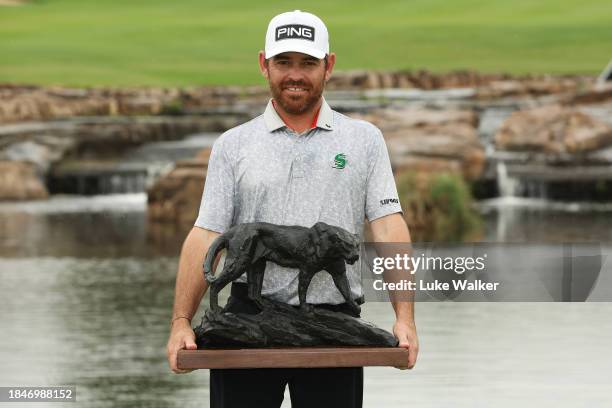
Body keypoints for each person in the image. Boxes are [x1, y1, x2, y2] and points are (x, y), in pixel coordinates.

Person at [166, 10, 418, 408]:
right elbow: (208, 233)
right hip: (245, 322)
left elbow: (388, 227)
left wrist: (405, 318)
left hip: (336, 325)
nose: (295, 74)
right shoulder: (233, 145)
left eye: (308, 63)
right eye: (284, 62)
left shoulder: (365, 140)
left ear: (328, 66)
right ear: (264, 64)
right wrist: (181, 322)